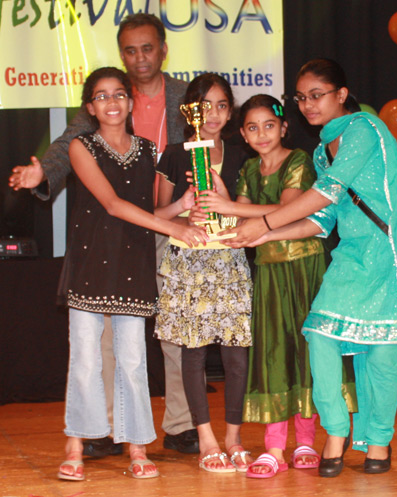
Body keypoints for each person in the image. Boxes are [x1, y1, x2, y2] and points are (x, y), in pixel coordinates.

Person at [220, 59, 397, 477]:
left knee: (382, 358)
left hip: (392, 256)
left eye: (317, 95)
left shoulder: (364, 128)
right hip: (351, 258)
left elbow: (329, 192)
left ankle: (378, 442)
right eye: (301, 98)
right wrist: (262, 237)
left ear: (340, 95)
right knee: (320, 334)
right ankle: (337, 433)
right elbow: (322, 220)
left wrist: (264, 221)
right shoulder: (323, 150)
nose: (308, 105)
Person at [9, 13, 200, 456]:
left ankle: (181, 424)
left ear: (163, 50)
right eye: (130, 50)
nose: (140, 58)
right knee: (110, 345)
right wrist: (42, 175)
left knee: (176, 331)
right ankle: (111, 430)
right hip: (120, 233)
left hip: (171, 223)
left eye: (147, 48)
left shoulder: (182, 98)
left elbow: (204, 143)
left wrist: (193, 206)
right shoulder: (97, 110)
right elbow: (66, 147)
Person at [57, 66, 207, 481]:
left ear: (131, 100)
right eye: (101, 96)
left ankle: (137, 447)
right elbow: (111, 204)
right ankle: (76, 446)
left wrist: (179, 207)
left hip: (133, 264)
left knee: (134, 360)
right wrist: (177, 228)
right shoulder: (80, 147)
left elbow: (144, 215)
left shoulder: (146, 150)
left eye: (119, 94)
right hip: (91, 265)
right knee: (85, 358)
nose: (111, 102)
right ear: (90, 106)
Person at [197, 94, 356, 478]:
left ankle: (305, 440)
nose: (262, 133)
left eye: (270, 125)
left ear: (284, 127)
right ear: (243, 134)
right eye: (252, 127)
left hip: (305, 271)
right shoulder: (250, 170)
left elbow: (284, 211)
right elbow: (241, 221)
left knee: (306, 353)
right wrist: (215, 210)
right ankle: (273, 447)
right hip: (268, 274)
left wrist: (229, 206)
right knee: (273, 354)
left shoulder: (299, 161)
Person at [154, 73, 253, 473]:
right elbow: (157, 216)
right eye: (204, 105)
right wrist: (182, 204)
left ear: (231, 111)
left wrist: (224, 200)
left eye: (221, 105)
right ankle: (206, 440)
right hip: (187, 261)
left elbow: (255, 212)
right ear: (189, 110)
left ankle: (233, 437)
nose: (212, 114)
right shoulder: (175, 154)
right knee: (191, 356)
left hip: (229, 259)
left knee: (236, 356)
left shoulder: (244, 154)